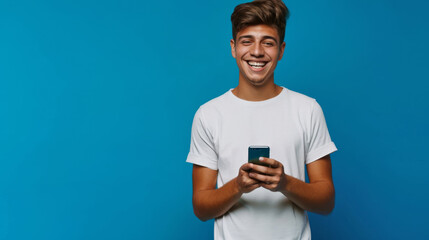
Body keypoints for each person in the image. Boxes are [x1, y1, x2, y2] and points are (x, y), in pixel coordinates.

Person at [186, 0, 337, 239]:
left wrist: (285, 183)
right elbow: (201, 208)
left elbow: (326, 202)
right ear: (233, 47)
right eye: (247, 41)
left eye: (268, 42)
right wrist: (238, 186)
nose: (257, 52)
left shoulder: (307, 109)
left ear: (281, 50)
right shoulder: (209, 114)